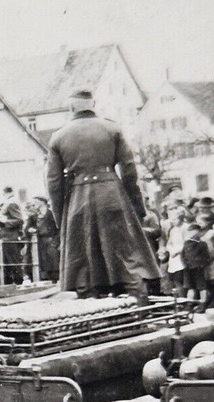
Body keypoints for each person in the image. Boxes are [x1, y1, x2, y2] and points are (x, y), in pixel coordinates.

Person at [45, 89, 160, 301]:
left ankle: (93, 314)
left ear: (71, 108)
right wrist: (137, 208)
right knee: (127, 254)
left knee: (84, 262)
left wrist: (61, 216)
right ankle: (138, 307)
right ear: (93, 104)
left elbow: (53, 183)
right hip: (112, 195)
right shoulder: (113, 129)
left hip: (78, 199)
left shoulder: (58, 137)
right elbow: (129, 171)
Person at [26, 196, 60, 283]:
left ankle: (54, 280)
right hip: (39, 243)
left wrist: (56, 242)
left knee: (53, 264)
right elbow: (27, 228)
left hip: (50, 242)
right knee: (41, 264)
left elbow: (59, 229)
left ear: (42, 202)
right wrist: (30, 230)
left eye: (36, 202)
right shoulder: (33, 216)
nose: (34, 204)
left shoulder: (52, 214)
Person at [0, 187, 26, 283]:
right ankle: (13, 283)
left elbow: (19, 220)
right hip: (7, 236)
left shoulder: (12, 203)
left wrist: (4, 221)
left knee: (13, 262)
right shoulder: (10, 202)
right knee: (9, 263)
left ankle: (18, 283)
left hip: (11, 236)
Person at [180, 222, 211, 309]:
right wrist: (185, 264)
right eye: (189, 232)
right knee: (190, 287)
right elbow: (182, 255)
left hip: (198, 269)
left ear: (198, 232)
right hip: (188, 268)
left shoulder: (202, 244)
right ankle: (189, 304)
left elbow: (206, 257)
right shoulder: (186, 243)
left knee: (201, 286)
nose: (190, 234)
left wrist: (201, 264)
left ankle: (203, 304)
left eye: (192, 231)